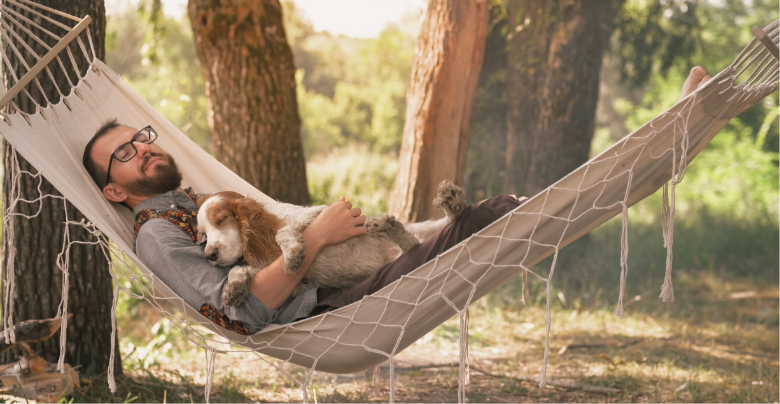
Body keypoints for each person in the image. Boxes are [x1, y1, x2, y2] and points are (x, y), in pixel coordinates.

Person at [82, 67, 711, 334]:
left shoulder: (197, 203)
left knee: (475, 220)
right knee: (485, 221)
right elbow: (237, 314)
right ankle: (649, 157)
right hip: (325, 309)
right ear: (113, 189)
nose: (143, 149)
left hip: (349, 273)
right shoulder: (158, 235)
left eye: (140, 137)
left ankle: (648, 154)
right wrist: (320, 237)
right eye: (125, 155)